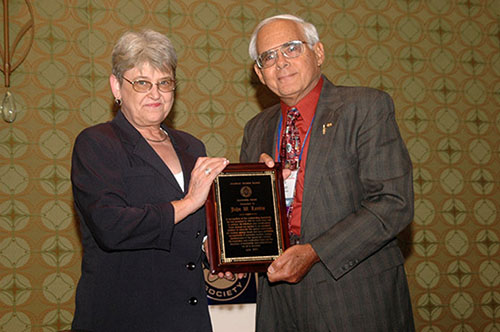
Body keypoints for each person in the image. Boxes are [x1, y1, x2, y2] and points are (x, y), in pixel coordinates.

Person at [240, 14, 415, 331]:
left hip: (355, 296)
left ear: (318, 53)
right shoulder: (256, 129)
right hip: (277, 302)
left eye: (292, 48)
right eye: (269, 56)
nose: (281, 62)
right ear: (259, 73)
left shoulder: (364, 107)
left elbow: (392, 203)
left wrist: (314, 252)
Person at [70, 29, 228, 331]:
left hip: (188, 316)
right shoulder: (97, 143)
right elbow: (111, 227)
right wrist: (189, 202)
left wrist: (219, 255)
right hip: (124, 316)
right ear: (117, 86)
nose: (155, 94)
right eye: (142, 83)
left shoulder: (192, 147)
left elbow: (196, 229)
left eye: (164, 83)